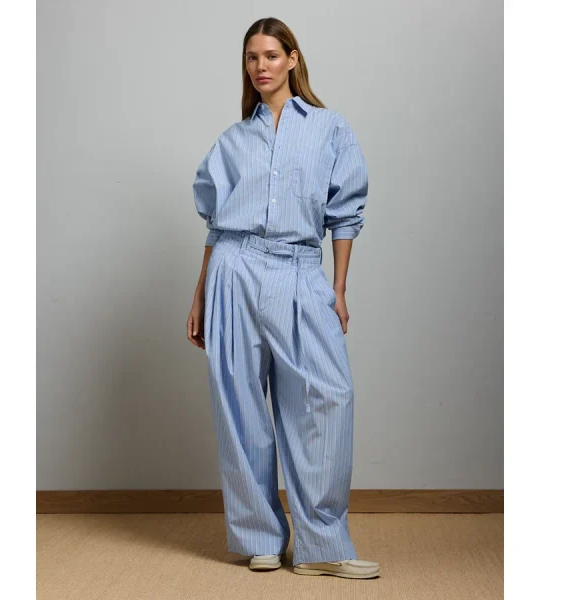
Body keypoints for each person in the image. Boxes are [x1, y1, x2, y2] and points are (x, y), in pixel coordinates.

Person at [187, 17, 380, 580]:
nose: (261, 66)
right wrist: (199, 295)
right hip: (234, 269)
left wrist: (337, 289)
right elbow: (216, 226)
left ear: (293, 59)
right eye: (252, 57)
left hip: (299, 269)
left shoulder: (329, 128)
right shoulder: (232, 141)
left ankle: (322, 545)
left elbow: (345, 213)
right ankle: (260, 539)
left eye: (271, 55)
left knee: (327, 398)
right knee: (240, 408)